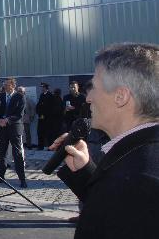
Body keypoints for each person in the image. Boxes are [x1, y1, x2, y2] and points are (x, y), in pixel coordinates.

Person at [51, 43, 159, 239]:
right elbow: (119, 210)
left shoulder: (143, 180)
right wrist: (86, 172)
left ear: (121, 96)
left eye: (94, 86)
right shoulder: (137, 157)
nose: (88, 98)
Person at [0, 78, 28, 188]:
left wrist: (7, 120)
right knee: (2, 153)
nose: (4, 86)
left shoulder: (20, 97)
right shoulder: (0, 96)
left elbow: (20, 114)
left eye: (7, 85)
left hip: (14, 128)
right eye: (4, 84)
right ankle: (1, 176)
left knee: (17, 154)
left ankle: (22, 179)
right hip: (2, 129)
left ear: (13, 86)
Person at [36, 82, 54, 150]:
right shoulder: (41, 95)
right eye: (41, 87)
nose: (42, 88)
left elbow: (50, 107)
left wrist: (45, 114)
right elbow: (39, 105)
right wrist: (39, 113)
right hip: (41, 117)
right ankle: (40, 146)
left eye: (43, 87)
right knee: (40, 132)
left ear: (46, 88)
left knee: (49, 133)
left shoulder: (50, 95)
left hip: (48, 118)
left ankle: (50, 146)